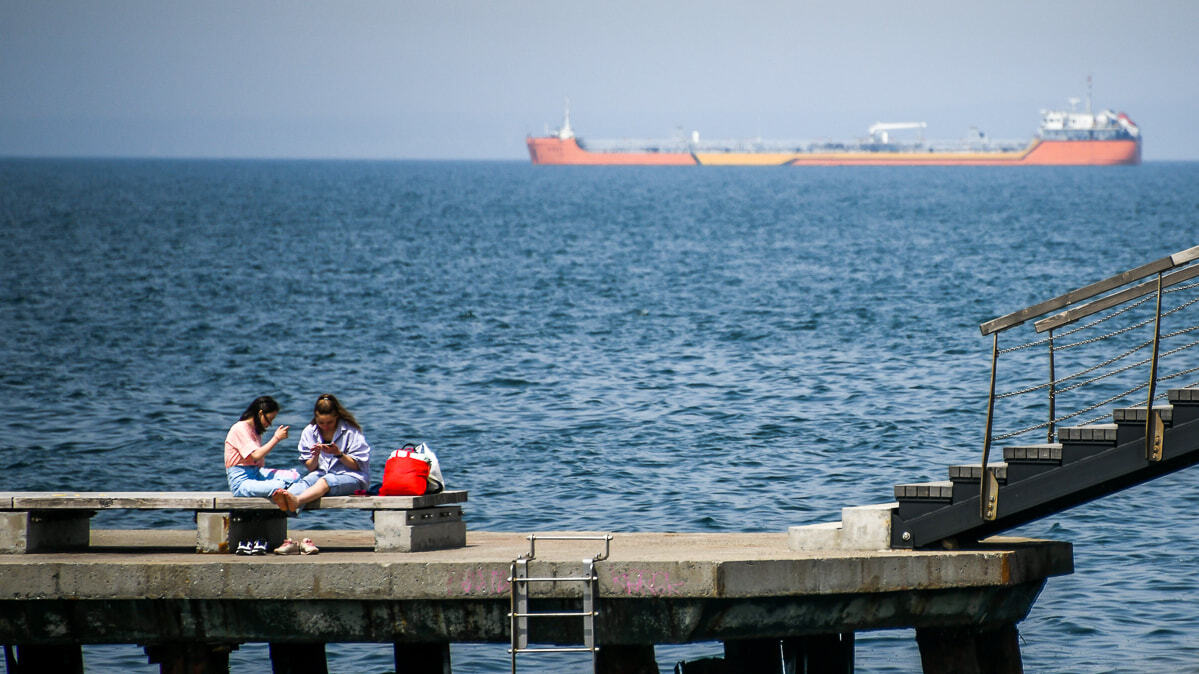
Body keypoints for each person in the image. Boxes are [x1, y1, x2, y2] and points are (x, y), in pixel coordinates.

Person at [284, 393, 372, 511]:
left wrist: (338, 454)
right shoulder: (309, 431)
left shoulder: (351, 430)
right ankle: (282, 505)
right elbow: (311, 468)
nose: (325, 426)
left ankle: (297, 501)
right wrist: (315, 456)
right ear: (316, 418)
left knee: (326, 481)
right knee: (306, 482)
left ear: (337, 416)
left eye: (329, 422)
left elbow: (357, 466)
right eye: (321, 423)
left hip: (351, 477)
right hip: (321, 474)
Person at [224, 396, 302, 512]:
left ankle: (290, 504)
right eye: (269, 419)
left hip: (257, 473)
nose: (270, 424)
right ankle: (291, 510)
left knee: (295, 477)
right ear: (260, 413)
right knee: (279, 486)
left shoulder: (255, 431)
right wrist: (276, 438)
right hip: (242, 482)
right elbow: (256, 455)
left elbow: (258, 462)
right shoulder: (239, 428)